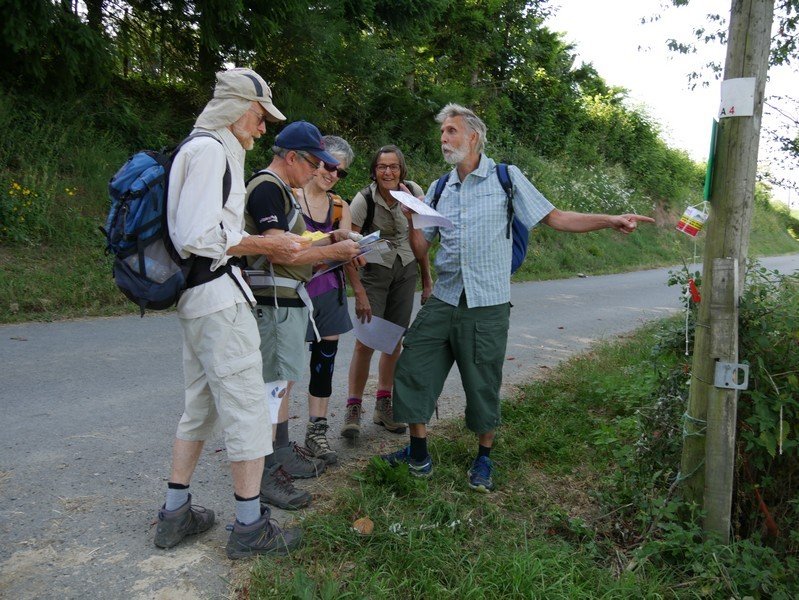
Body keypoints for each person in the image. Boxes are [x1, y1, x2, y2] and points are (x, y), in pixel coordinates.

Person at [382, 103, 655, 492]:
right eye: (442, 133)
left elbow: (555, 218)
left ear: (473, 136)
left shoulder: (505, 178)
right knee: (414, 367)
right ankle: (418, 451)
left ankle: (483, 460)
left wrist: (609, 219)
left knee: (482, 381)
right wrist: (414, 220)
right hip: (444, 297)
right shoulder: (441, 187)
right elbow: (422, 247)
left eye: (451, 132)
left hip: (487, 302)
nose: (444, 140)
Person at [154, 67, 307, 559]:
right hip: (218, 300)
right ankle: (249, 528)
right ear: (239, 110)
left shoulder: (203, 149)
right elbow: (197, 236)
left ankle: (175, 514)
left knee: (199, 407)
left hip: (201, 299)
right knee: (247, 412)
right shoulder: (210, 151)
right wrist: (263, 242)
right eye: (260, 117)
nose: (263, 129)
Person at [244, 122, 361, 510]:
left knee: (281, 381)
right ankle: (263, 474)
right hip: (274, 300)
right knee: (272, 387)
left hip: (288, 299)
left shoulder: (278, 190)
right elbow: (280, 252)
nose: (317, 172)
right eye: (314, 163)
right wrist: (334, 253)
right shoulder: (267, 189)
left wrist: (329, 239)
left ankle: (278, 456)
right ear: (292, 157)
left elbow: (294, 242)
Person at [341, 145, 433, 441]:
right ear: (374, 170)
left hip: (405, 270)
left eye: (393, 167)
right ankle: (353, 408)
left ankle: (384, 405)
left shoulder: (414, 192)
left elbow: (420, 241)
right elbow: (348, 248)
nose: (388, 172)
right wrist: (359, 292)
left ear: (401, 169)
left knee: (394, 341)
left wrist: (427, 281)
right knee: (365, 342)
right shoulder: (363, 199)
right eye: (382, 167)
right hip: (374, 273)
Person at [294, 136, 356, 465]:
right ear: (313, 160)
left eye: (340, 172)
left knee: (324, 364)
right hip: (293, 293)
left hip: (329, 290)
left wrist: (357, 250)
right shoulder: (290, 197)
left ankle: (316, 431)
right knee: (286, 367)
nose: (331, 174)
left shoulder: (339, 206)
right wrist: (330, 244)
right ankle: (274, 439)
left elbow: (342, 251)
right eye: (327, 165)